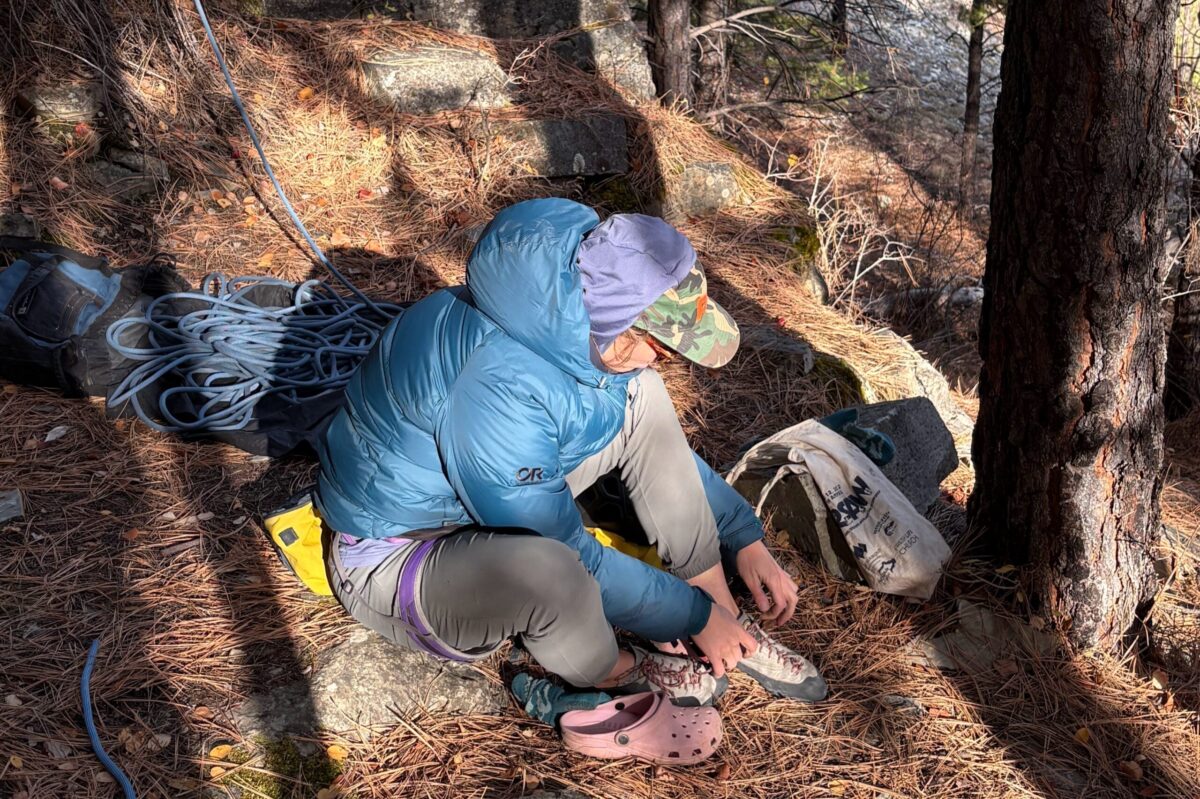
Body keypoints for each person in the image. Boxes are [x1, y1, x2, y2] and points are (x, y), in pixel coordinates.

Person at [315, 198, 827, 706]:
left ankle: (725, 614)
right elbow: (567, 552)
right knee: (552, 570)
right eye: (665, 347)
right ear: (618, 324)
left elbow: (654, 445)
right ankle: (617, 669)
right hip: (401, 555)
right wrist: (687, 615)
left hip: (469, 502)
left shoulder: (568, 318)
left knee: (641, 393)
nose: (670, 361)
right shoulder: (500, 384)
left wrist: (741, 539)